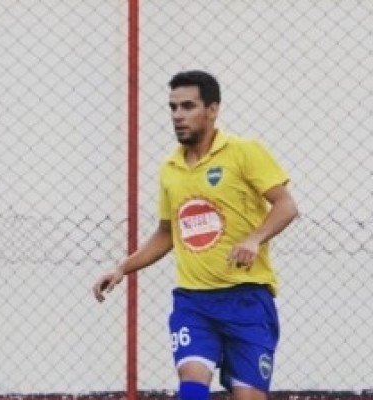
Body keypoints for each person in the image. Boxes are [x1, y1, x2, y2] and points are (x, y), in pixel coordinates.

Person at [93, 70, 298, 400]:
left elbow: (286, 205)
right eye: (173, 107)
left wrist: (254, 238)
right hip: (193, 301)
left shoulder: (244, 152)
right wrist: (122, 268)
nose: (178, 115)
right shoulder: (170, 169)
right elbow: (167, 233)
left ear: (212, 109)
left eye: (188, 106)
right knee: (191, 379)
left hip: (247, 299)